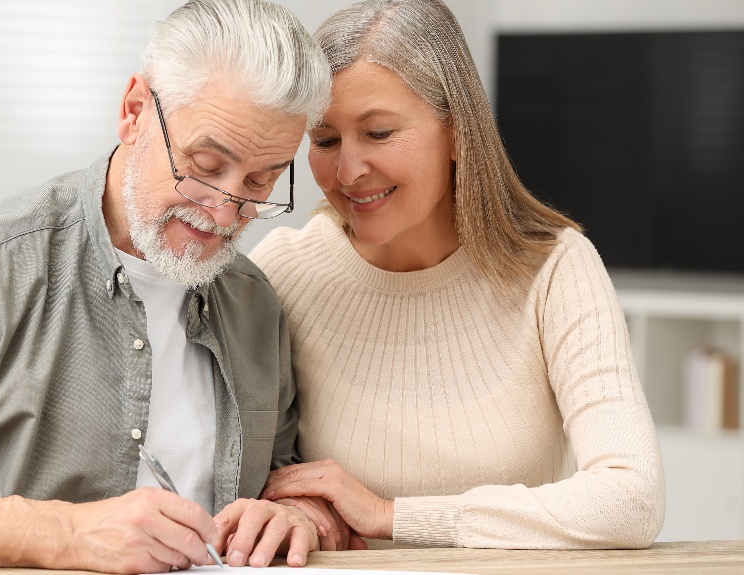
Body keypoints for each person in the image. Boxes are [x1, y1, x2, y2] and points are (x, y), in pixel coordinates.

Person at [0, 1, 333, 572]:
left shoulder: (253, 301)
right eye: (204, 165)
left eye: (260, 182)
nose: (224, 215)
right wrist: (64, 533)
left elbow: (280, 479)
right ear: (135, 110)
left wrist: (294, 512)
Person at [245, 0, 665, 551]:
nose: (347, 172)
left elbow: (631, 500)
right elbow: (261, 475)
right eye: (324, 141)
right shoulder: (281, 272)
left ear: (458, 132)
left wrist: (391, 515)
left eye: (378, 133)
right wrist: (300, 511)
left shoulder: (555, 269)